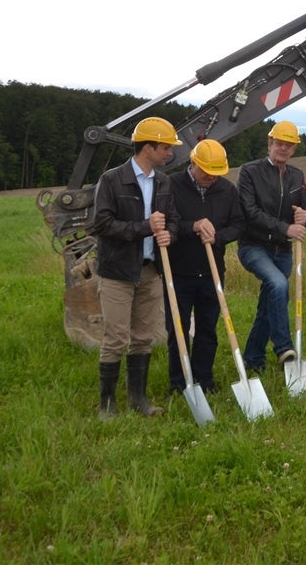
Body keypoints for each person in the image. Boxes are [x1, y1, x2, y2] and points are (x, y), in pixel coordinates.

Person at [90, 116, 181, 420]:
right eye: (166, 148)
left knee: (143, 337)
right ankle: (107, 405)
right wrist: (144, 227)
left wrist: (170, 234)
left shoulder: (164, 181)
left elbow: (173, 220)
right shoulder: (112, 180)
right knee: (115, 338)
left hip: (150, 271)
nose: (169, 153)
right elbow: (101, 224)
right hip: (116, 272)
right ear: (148, 147)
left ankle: (138, 399)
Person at [165, 139, 242, 395]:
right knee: (178, 328)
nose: (211, 177)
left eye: (216, 173)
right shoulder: (171, 186)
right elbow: (166, 224)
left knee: (208, 328)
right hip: (179, 270)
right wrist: (193, 226)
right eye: (206, 171)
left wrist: (218, 236)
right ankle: (179, 383)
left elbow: (239, 225)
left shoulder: (227, 191)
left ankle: (204, 380)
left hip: (212, 272)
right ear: (193, 163)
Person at [238, 120, 306, 373]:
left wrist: (304, 216)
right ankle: (283, 348)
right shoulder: (249, 172)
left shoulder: (296, 176)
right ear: (270, 144)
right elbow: (249, 211)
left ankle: (253, 359)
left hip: (283, 250)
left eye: (289, 145)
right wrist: (285, 227)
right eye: (279, 143)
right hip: (254, 247)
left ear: (293, 150)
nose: (283, 148)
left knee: (271, 302)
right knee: (278, 285)